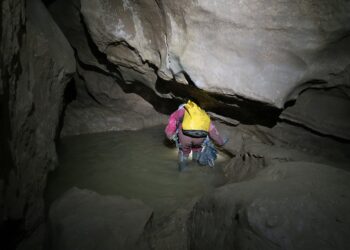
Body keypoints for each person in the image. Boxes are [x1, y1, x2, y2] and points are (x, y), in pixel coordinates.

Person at [165, 100, 227, 171]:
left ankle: (182, 171)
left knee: (184, 151)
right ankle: (195, 167)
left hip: (185, 137)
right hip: (200, 138)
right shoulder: (202, 114)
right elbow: (212, 130)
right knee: (197, 149)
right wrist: (220, 142)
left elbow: (172, 123)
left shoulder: (181, 111)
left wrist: (169, 135)